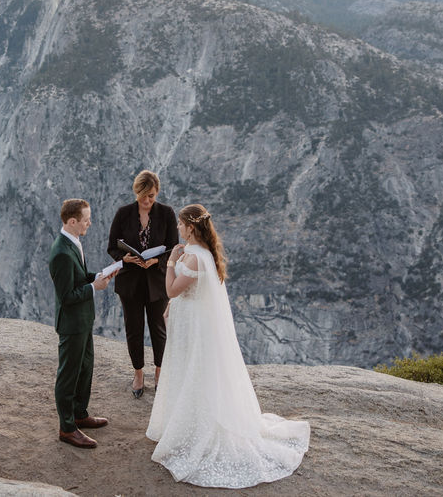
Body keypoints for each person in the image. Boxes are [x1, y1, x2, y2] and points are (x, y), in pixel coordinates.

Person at [146, 204, 309, 488]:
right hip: (190, 320)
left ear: (191, 228)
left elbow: (171, 289)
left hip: (193, 325)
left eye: (181, 225)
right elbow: (187, 293)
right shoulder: (203, 254)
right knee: (193, 372)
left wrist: (171, 261)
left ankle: (195, 428)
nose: (177, 229)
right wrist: (175, 300)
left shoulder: (193, 258)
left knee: (192, 372)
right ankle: (188, 423)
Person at [48, 198, 118, 449]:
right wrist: (94, 287)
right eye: (86, 219)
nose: (91, 222)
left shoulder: (73, 243)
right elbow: (66, 297)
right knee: (68, 375)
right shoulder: (61, 253)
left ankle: (79, 413)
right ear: (72, 221)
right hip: (72, 323)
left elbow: (79, 278)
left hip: (83, 320)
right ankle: (67, 428)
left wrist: (98, 276)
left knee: (85, 368)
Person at [106, 170, 178, 398]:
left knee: (159, 329)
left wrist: (157, 260)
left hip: (157, 281)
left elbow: (174, 248)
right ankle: (138, 373)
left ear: (157, 193)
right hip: (130, 282)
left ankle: (159, 372)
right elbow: (112, 247)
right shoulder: (123, 213)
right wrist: (124, 258)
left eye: (152, 196)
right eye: (143, 196)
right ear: (136, 192)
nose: (147, 201)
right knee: (133, 329)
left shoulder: (166, 213)